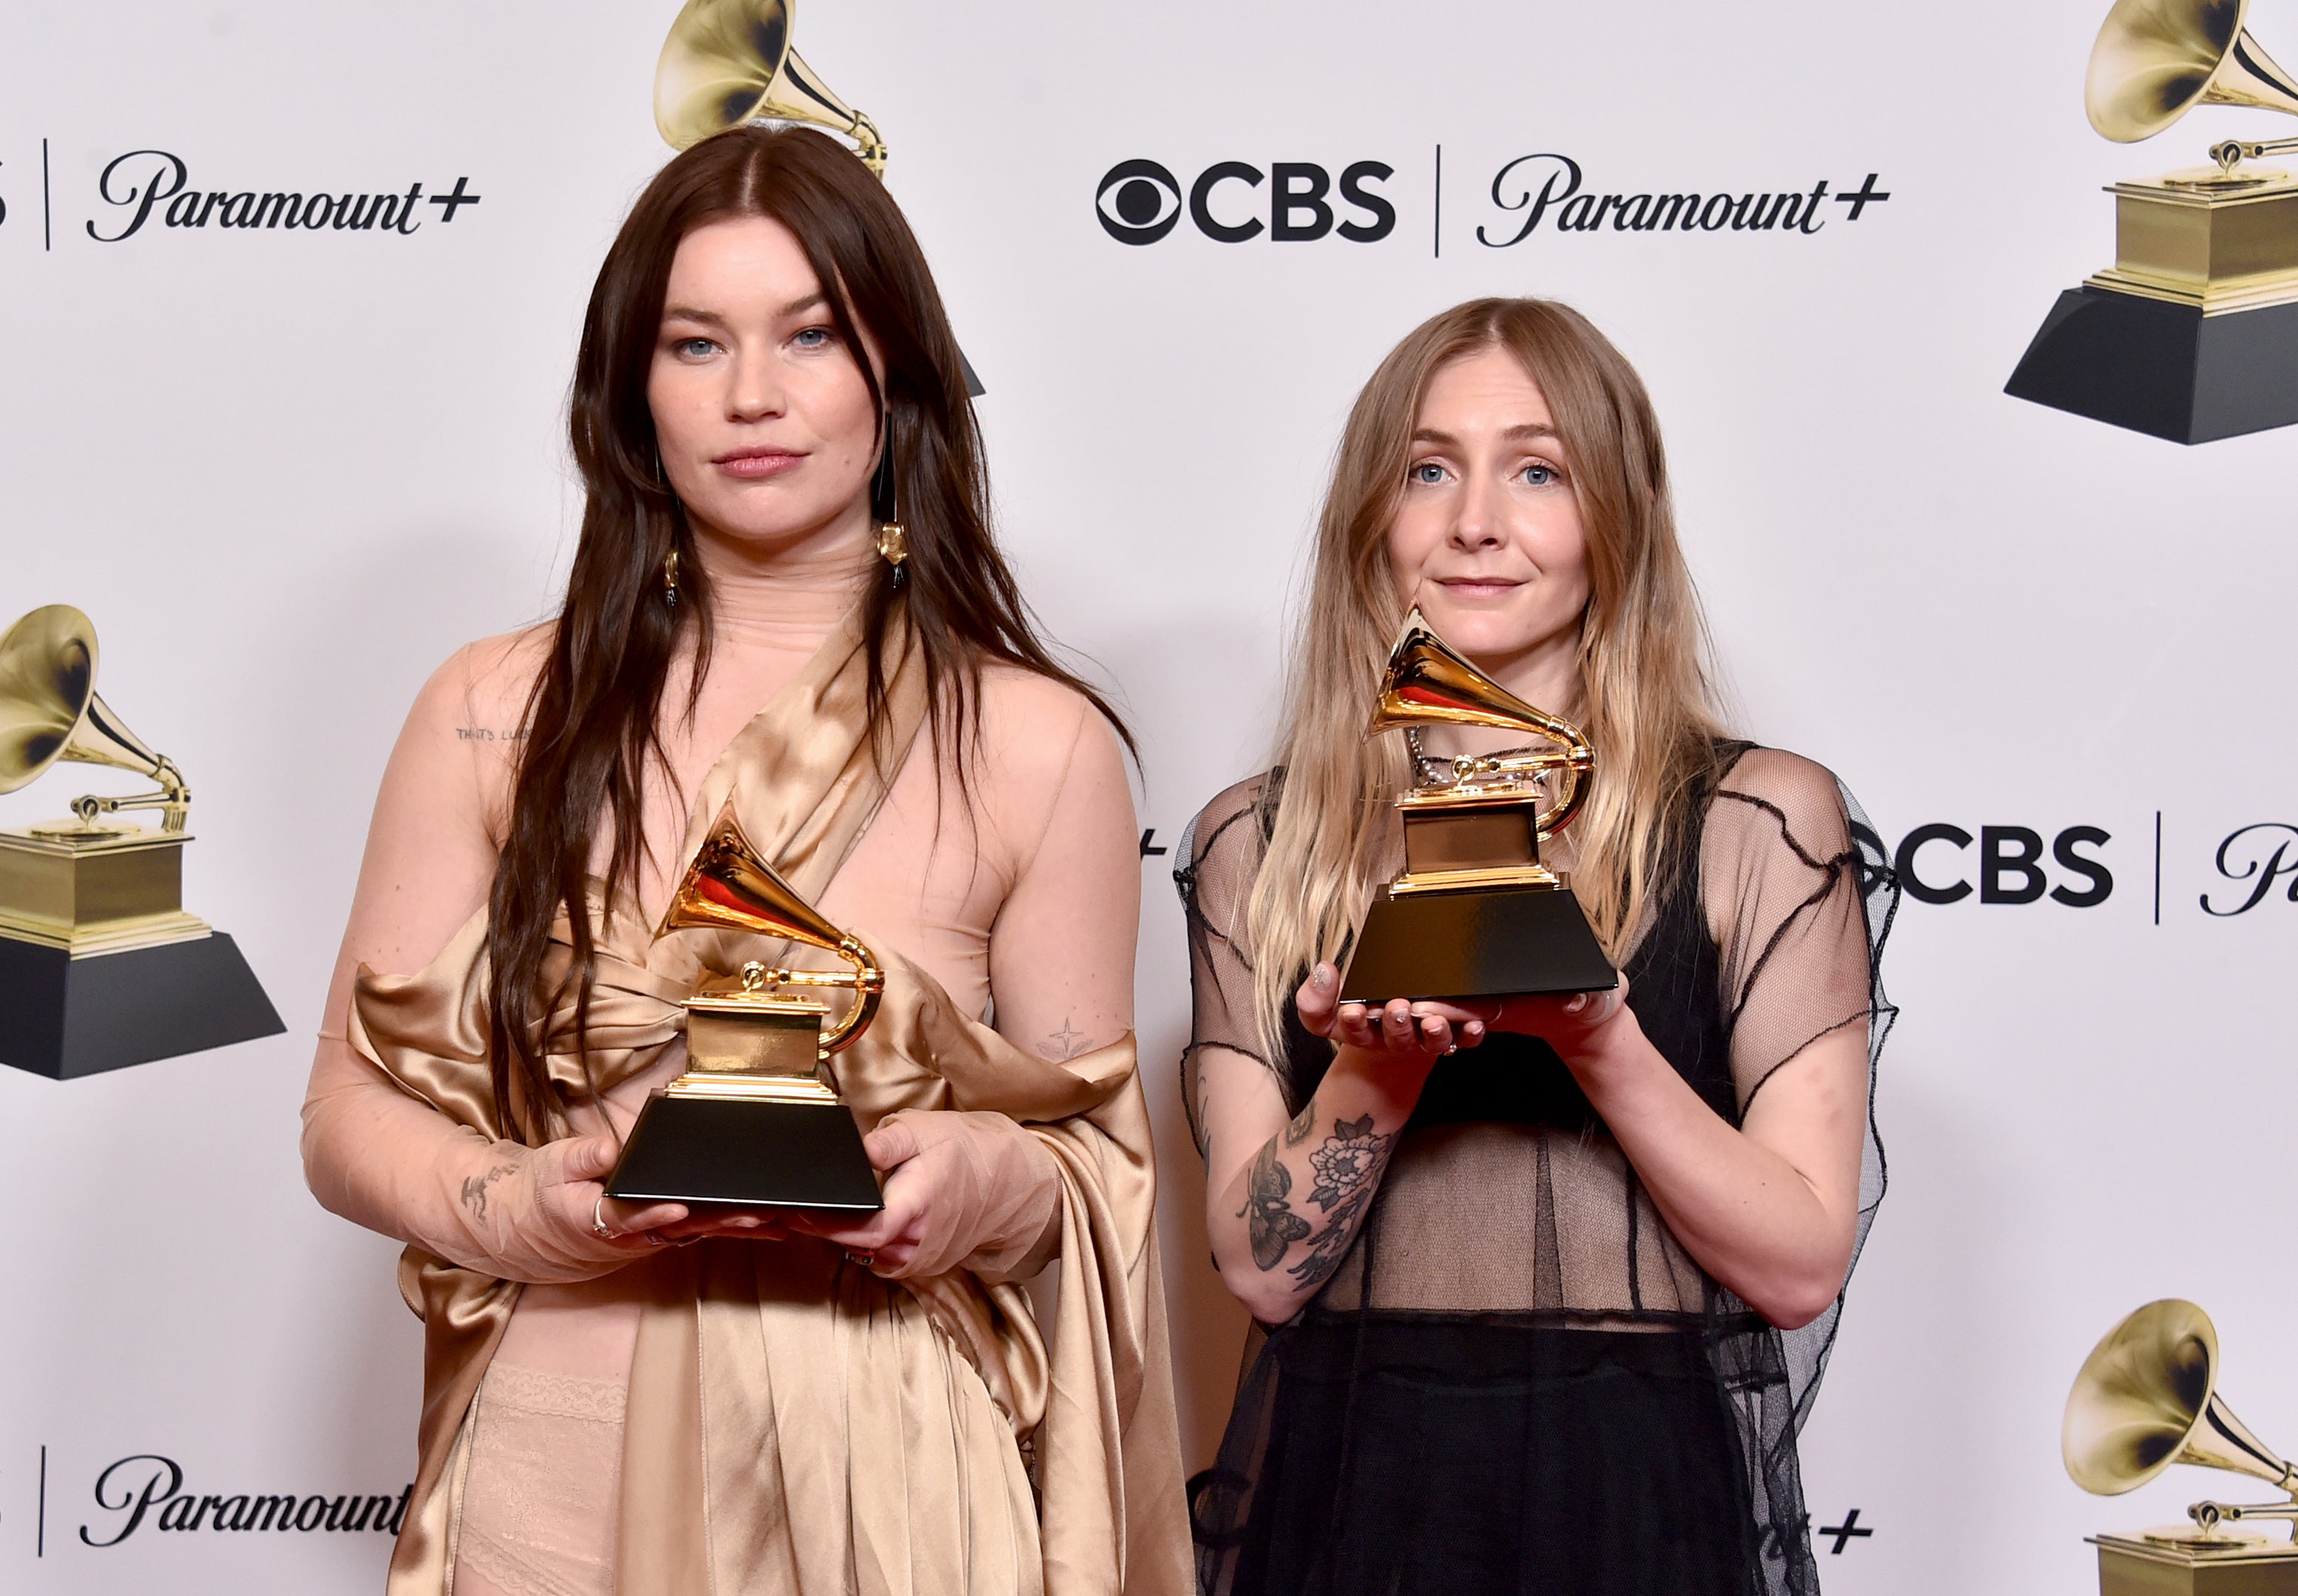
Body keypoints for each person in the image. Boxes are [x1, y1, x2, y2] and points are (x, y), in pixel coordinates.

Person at [302, 125, 1189, 1596]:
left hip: (896, 1473)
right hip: (549, 1456)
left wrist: (991, 1174)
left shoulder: (1040, 743)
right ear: (632, 393)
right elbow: (348, 1103)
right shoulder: (490, 710)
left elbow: (1094, 1166)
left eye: (810, 336)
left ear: (896, 374)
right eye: (696, 342)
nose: (754, 395)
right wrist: (509, 1206)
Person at [1177, 298, 1895, 1596]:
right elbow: (1261, 1273)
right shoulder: (1257, 839)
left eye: (1540, 470)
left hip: (1635, 1494)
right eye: (1428, 468)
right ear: (1371, 522)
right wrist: (1378, 1069)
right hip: (1349, 1494)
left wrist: (1597, 1035)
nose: (1475, 523)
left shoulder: (1755, 823)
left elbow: (1798, 1265)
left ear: (1614, 519)